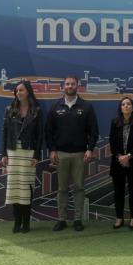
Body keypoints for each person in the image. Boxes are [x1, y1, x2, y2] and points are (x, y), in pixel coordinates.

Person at [45, 75, 99, 232]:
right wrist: (52, 150)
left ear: (78, 86)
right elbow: (49, 131)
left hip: (80, 154)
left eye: (73, 84)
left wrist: (90, 149)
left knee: (79, 188)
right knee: (62, 189)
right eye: (67, 84)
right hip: (60, 154)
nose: (70, 86)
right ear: (64, 86)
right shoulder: (55, 107)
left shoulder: (87, 107)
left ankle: (77, 219)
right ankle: (61, 219)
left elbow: (94, 131)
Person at [1, 80, 44, 234]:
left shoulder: (37, 110)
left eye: (21, 90)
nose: (18, 93)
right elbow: (4, 133)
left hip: (28, 153)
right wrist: (4, 154)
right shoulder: (10, 109)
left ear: (28, 92)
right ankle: (17, 221)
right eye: (16, 90)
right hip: (13, 152)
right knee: (14, 189)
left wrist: (37, 155)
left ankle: (26, 222)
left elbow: (39, 136)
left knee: (26, 188)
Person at [109, 97, 133, 230]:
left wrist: (128, 157)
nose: (126, 106)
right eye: (123, 104)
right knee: (118, 191)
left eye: (128, 104)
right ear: (120, 108)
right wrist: (120, 157)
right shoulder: (115, 122)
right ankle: (119, 218)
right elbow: (112, 142)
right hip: (117, 162)